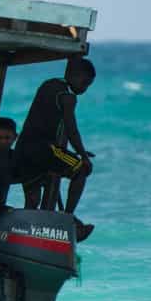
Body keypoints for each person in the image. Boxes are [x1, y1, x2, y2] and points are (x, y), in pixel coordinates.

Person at [16, 59, 97, 231]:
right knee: (82, 169)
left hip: (23, 148)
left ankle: (26, 237)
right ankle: (67, 218)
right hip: (43, 149)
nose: (84, 89)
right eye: (84, 83)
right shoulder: (68, 97)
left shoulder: (49, 85)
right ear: (73, 76)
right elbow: (71, 128)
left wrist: (77, 151)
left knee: (32, 200)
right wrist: (82, 156)